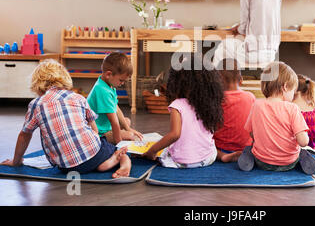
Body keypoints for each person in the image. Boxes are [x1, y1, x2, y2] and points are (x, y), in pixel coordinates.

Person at [0, 59, 131, 178]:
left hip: (67, 166)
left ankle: (101, 164)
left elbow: (24, 135)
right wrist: (96, 142)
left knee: (85, 157)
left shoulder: (36, 104)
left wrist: (16, 161)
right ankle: (122, 161)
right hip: (94, 154)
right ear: (65, 79)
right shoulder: (78, 97)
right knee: (113, 149)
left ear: (37, 84)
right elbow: (94, 128)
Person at [143, 55, 224, 168]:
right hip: (209, 158)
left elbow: (174, 135)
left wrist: (152, 151)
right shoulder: (208, 104)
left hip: (184, 162)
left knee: (165, 150)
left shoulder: (177, 105)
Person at [237, 61, 315, 175]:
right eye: (293, 91)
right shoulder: (292, 108)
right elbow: (303, 142)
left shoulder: (257, 105)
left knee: (251, 148)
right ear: (285, 87)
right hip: (288, 163)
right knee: (301, 150)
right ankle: (303, 156)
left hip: (262, 162)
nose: (293, 95)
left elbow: (252, 134)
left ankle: (248, 156)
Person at [213, 0, 281, 67]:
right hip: (271, 53)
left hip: (253, 54)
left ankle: (218, 82)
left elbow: (244, 26)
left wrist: (237, 29)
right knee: (235, 43)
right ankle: (232, 79)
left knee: (221, 48)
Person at [87, 52, 143, 145]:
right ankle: (112, 140)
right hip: (100, 133)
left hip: (105, 126)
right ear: (109, 74)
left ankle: (122, 133)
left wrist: (127, 128)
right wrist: (120, 144)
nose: (122, 83)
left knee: (127, 121)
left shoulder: (108, 84)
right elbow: (114, 122)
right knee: (130, 136)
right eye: (121, 80)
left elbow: (116, 108)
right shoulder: (102, 90)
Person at [214, 58, 256, 162]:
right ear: (241, 80)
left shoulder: (217, 99)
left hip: (220, 148)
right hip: (245, 148)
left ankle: (222, 156)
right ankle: (247, 155)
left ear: (218, 81)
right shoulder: (250, 97)